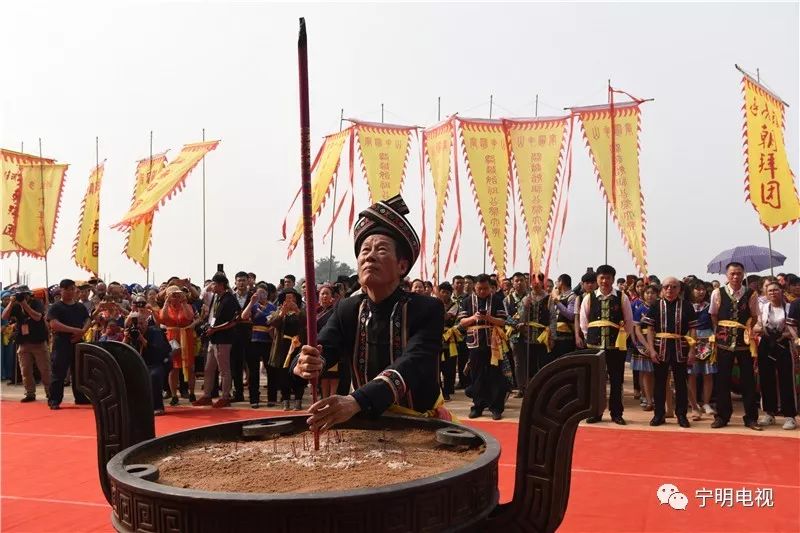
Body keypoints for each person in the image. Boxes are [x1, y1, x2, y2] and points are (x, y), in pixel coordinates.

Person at [292, 195, 447, 433]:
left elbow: (412, 364)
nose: (369, 256)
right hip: (368, 421)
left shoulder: (427, 309)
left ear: (402, 266)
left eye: (381, 250)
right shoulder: (348, 308)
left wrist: (356, 400)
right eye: (364, 250)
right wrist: (308, 362)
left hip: (421, 424)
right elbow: (324, 346)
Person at [709, 262, 761, 430]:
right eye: (732, 273)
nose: (736, 276)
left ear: (743, 274)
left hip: (744, 343)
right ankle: (722, 416)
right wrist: (720, 332)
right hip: (724, 342)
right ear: (727, 275)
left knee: (748, 381)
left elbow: (754, 317)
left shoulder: (751, 294)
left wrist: (746, 330)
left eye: (739, 273)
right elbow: (714, 315)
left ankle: (751, 417)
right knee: (722, 379)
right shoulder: (717, 293)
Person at [580, 264, 634, 425]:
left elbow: (629, 322)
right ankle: (595, 413)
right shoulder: (588, 297)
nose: (604, 281)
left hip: (616, 346)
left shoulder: (621, 297)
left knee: (617, 380)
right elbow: (584, 322)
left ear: (613, 279)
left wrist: (622, 338)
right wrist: (590, 336)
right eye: (602, 277)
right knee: (596, 381)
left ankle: (616, 413)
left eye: (608, 278)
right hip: (594, 346)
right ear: (597, 279)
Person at [643, 277, 697, 428]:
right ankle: (659, 415)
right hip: (660, 348)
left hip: (681, 347)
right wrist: (651, 349)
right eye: (666, 286)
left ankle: (681, 415)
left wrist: (692, 350)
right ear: (662, 289)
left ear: (679, 289)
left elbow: (693, 329)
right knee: (659, 383)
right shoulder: (655, 305)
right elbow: (650, 329)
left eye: (673, 287)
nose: (669, 290)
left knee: (681, 383)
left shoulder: (687, 306)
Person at [460, 274, 509, 420]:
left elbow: (503, 321)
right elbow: (462, 322)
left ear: (490, 287)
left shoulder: (498, 300)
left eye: (486, 288)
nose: (482, 291)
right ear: (474, 287)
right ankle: (478, 406)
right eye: (479, 288)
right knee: (476, 376)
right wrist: (473, 318)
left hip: (494, 343)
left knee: (495, 375)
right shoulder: (467, 301)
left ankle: (496, 408)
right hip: (475, 343)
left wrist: (489, 318)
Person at [754, 281, 798, 430]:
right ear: (766, 293)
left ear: (782, 291)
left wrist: (784, 334)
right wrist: (759, 328)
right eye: (770, 290)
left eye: (775, 290)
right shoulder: (762, 307)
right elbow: (756, 325)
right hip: (766, 345)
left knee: (786, 379)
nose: (773, 293)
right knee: (766, 378)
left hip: (784, 344)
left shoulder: (790, 307)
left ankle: (790, 416)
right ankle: (769, 413)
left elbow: (794, 327)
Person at [192, 273, 239, 408]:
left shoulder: (229, 299)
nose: (211, 286)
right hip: (213, 338)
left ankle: (225, 397)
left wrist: (216, 329)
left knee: (224, 369)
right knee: (208, 368)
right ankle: (207, 395)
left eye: (214, 284)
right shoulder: (216, 297)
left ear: (221, 285)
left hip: (223, 339)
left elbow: (233, 321)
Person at [47, 279, 91, 410]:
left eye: (73, 289)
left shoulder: (79, 306)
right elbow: (54, 324)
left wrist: (82, 331)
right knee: (58, 372)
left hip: (78, 341)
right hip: (62, 342)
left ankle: (81, 397)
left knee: (79, 372)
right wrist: (74, 330)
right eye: (68, 289)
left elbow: (88, 319)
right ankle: (54, 399)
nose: (71, 292)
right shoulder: (56, 307)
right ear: (61, 290)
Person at [2, 286, 50, 403]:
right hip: (23, 342)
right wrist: (12, 302)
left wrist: (24, 304)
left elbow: (37, 317)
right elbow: (4, 316)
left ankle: (50, 392)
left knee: (45, 369)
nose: (22, 297)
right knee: (25, 370)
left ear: (29, 294)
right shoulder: (16, 305)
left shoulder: (37, 303)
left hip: (38, 342)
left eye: (23, 295)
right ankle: (30, 393)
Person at [268, 288, 307, 410]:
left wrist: (297, 310)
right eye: (287, 298)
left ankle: (298, 400)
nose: (290, 300)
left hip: (298, 346)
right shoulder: (279, 311)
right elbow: (272, 323)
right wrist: (282, 313)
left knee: (299, 373)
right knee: (283, 375)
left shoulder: (301, 311)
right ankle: (285, 400)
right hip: (282, 348)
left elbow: (307, 321)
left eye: (292, 298)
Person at [160, 286, 200, 405]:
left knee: (190, 367)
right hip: (172, 338)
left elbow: (189, 317)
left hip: (186, 336)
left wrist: (183, 302)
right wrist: (167, 301)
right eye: (173, 294)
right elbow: (162, 318)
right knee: (173, 368)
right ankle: (173, 395)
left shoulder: (187, 305)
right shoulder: (167, 306)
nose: (175, 297)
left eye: (177, 294)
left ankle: (191, 392)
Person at [515, 273, 555, 390]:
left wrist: (552, 336)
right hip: (528, 337)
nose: (536, 284)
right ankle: (530, 389)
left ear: (543, 283)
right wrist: (525, 308)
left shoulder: (549, 299)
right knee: (530, 364)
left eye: (538, 282)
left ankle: (544, 388)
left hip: (543, 336)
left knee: (543, 363)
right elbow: (521, 319)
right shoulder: (526, 298)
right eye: (534, 282)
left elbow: (553, 318)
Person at [241, 286, 276, 407]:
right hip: (254, 340)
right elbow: (244, 316)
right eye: (259, 293)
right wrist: (251, 302)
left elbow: (275, 321)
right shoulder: (253, 306)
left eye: (264, 293)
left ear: (268, 294)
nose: (262, 295)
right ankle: (254, 399)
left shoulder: (272, 307)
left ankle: (272, 398)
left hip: (268, 341)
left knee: (270, 370)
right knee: (254, 371)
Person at [688, 280, 717, 421]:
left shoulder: (710, 306)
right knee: (692, 374)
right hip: (690, 340)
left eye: (703, 289)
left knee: (708, 374)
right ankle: (694, 404)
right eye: (697, 289)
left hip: (708, 340)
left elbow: (715, 323)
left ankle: (706, 403)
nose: (701, 292)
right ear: (691, 290)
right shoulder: (686, 306)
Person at [631, 284, 657, 412]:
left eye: (652, 293)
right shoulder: (639, 309)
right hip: (643, 343)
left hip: (659, 341)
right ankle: (648, 399)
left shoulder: (660, 308)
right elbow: (637, 330)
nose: (650, 295)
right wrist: (647, 346)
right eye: (647, 293)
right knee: (646, 373)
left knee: (657, 373)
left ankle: (658, 398)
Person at [503, 272, 529, 397]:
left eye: (522, 280)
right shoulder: (507, 299)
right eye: (516, 280)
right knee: (518, 361)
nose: (519, 283)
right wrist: (515, 324)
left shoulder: (531, 297)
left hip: (530, 332)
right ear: (512, 283)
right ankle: (521, 388)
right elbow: (505, 316)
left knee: (530, 360)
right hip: (514, 333)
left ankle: (532, 386)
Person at [230, 271, 254, 403]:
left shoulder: (253, 297)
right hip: (234, 335)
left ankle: (253, 394)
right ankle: (238, 393)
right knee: (236, 366)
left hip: (250, 334)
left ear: (248, 281)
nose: (241, 283)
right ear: (235, 282)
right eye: (239, 280)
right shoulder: (231, 297)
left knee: (251, 365)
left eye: (244, 280)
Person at [437, 282, 460, 401]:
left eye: (447, 292)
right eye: (443, 292)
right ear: (439, 292)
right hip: (436, 338)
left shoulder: (455, 305)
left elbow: (447, 317)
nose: (445, 294)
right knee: (437, 366)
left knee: (449, 366)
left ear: (451, 294)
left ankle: (448, 390)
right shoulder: (434, 303)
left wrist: (439, 307)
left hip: (450, 339)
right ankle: (439, 389)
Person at [316, 285, 338, 399]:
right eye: (322, 294)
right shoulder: (317, 312)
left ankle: (332, 400)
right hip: (320, 348)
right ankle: (324, 400)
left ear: (332, 297)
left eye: (327, 293)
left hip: (333, 348)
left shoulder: (335, 311)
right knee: (324, 377)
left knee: (333, 377)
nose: (324, 296)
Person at [551, 274, 577, 358]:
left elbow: (570, 315)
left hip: (566, 336)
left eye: (557, 282)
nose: (556, 285)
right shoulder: (559, 296)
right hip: (556, 334)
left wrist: (557, 302)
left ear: (561, 282)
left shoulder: (572, 296)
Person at [574, 271, 597, 349]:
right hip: (582, 335)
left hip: (597, 334)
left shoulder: (600, 298)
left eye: (592, 282)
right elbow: (577, 318)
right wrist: (577, 336)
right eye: (587, 283)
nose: (590, 285)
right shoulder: (579, 298)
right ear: (582, 284)